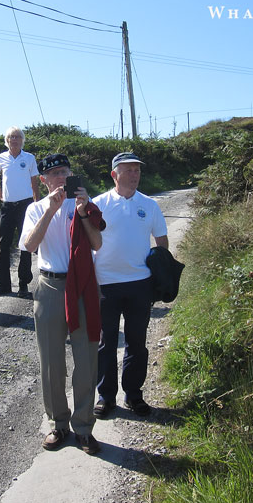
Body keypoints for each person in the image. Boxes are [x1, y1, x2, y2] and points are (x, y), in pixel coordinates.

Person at [19, 153, 105, 455]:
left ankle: (84, 427)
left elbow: (97, 243)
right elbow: (30, 245)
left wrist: (83, 212)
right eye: (54, 173)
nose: (61, 178)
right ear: (43, 180)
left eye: (65, 172)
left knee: (87, 358)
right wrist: (50, 210)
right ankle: (58, 424)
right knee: (51, 361)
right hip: (50, 285)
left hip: (82, 284)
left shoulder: (83, 204)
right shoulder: (35, 208)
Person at [91, 152, 168, 418]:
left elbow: (161, 241)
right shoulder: (98, 204)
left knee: (137, 342)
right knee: (106, 343)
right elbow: (88, 241)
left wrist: (162, 275)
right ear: (114, 174)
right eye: (129, 170)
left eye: (137, 170)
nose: (135, 175)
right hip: (106, 284)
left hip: (140, 284)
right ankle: (105, 396)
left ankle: (134, 394)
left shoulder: (150, 205)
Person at [0, 126, 40, 298]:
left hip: (26, 205)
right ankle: (3, 285)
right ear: (7, 140)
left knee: (25, 244)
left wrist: (37, 204)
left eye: (18, 137)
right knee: (3, 245)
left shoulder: (29, 158)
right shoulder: (2, 158)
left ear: (22, 140)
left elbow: (34, 182)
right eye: (11, 137)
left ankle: (23, 285)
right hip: (7, 206)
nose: (15, 139)